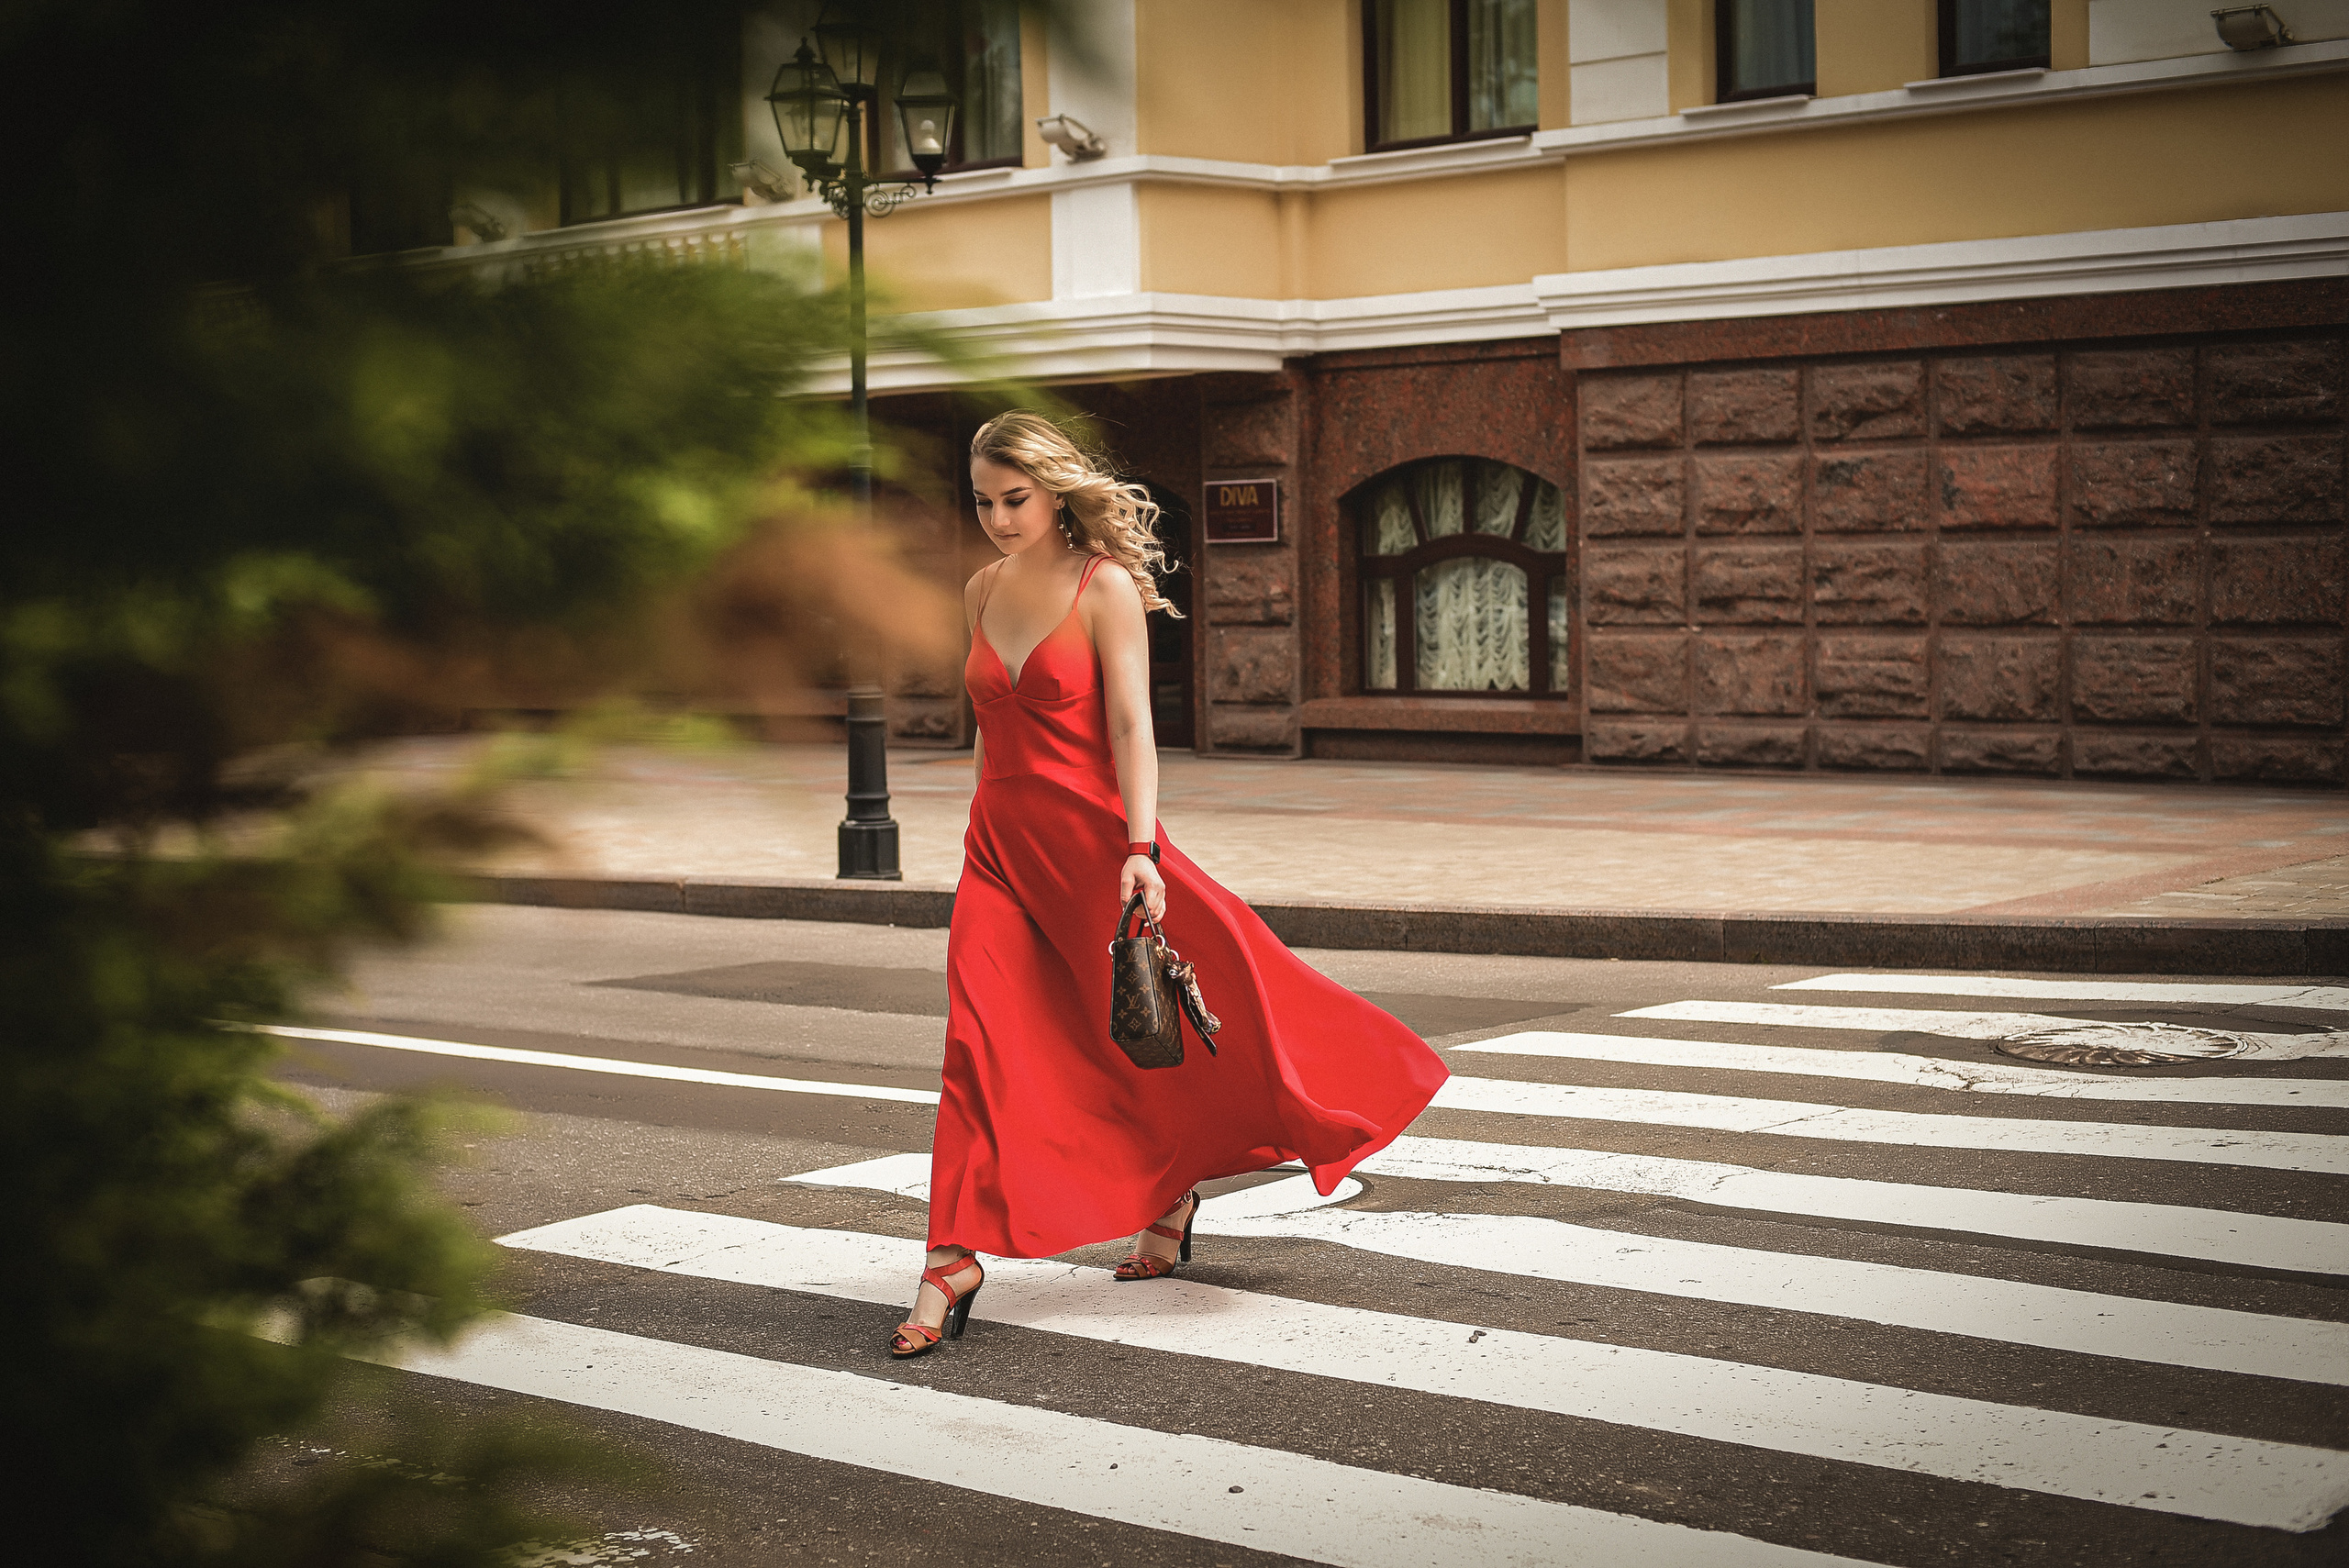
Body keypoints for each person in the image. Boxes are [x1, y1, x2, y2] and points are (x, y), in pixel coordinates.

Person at [889, 411, 1449, 1358]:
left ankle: (1172, 1188)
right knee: (978, 1046)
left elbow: (1131, 728)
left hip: (1096, 844)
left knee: (1167, 1023)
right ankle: (950, 1255)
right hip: (1000, 853)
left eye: (1013, 499)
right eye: (982, 501)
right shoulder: (981, 588)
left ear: (1054, 490)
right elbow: (994, 728)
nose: (996, 518)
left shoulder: (1101, 585)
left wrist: (1140, 847)